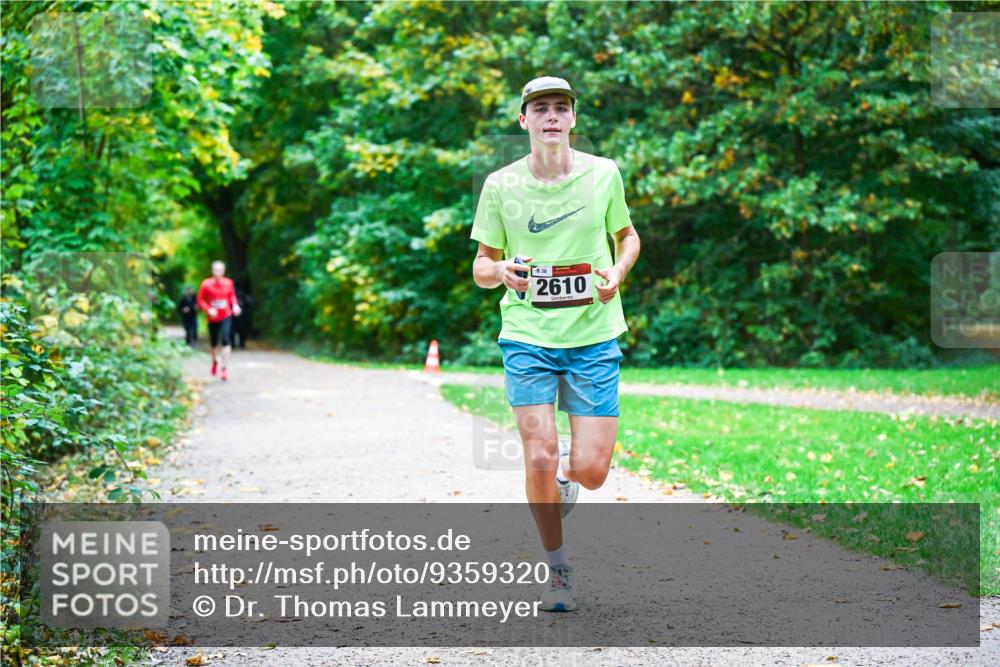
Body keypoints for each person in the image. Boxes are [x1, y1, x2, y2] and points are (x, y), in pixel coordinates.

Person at [470, 76, 640, 612]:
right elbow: (480, 267)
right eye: (539, 108)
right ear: (523, 120)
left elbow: (627, 236)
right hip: (527, 335)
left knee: (590, 471)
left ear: (572, 119)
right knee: (539, 453)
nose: (550, 116)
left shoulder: (604, 174)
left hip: (593, 334)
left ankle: (569, 476)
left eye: (560, 108)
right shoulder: (500, 185)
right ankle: (558, 570)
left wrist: (616, 271)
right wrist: (501, 269)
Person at [196, 261, 241, 381]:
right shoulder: (206, 284)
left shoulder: (228, 283)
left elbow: (232, 296)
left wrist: (235, 305)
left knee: (226, 340)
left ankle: (225, 368)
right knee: (214, 343)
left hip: (226, 315)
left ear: (224, 271)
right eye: (216, 270)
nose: (218, 273)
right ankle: (215, 360)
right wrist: (208, 309)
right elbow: (200, 300)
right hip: (213, 317)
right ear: (212, 271)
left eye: (220, 270)